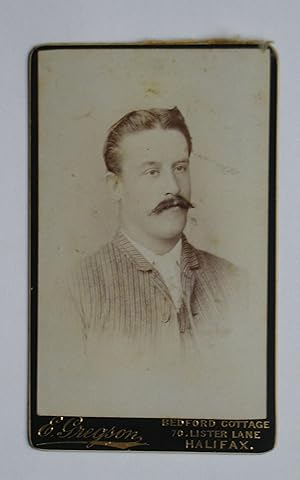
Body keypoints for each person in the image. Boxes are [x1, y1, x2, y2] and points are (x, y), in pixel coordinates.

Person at [46, 107, 252, 418]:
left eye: (180, 167)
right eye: (152, 171)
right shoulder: (73, 290)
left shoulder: (237, 283)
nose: (173, 187)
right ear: (116, 186)